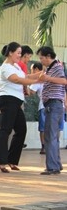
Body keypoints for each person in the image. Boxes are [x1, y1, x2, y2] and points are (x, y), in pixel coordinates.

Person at [0, 42, 40, 173]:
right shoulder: (5, 67)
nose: (20, 55)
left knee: (21, 129)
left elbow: (25, 76)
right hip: (8, 100)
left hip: (16, 102)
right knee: (6, 129)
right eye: (18, 53)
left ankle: (11, 159)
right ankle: (0, 161)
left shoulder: (16, 67)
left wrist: (40, 75)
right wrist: (36, 81)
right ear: (10, 53)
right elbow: (17, 80)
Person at [37, 46, 66, 175]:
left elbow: (64, 81)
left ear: (48, 56)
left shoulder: (57, 67)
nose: (41, 60)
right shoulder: (50, 68)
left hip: (54, 105)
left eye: (42, 58)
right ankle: (56, 164)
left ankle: (52, 167)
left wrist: (47, 79)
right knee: (53, 136)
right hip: (53, 105)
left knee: (50, 136)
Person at [28, 63, 45, 154]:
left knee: (42, 128)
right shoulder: (49, 75)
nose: (31, 73)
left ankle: (44, 147)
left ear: (36, 69)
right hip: (57, 105)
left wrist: (25, 84)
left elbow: (31, 92)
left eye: (32, 70)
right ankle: (52, 146)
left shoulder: (38, 80)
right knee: (54, 128)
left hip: (43, 106)